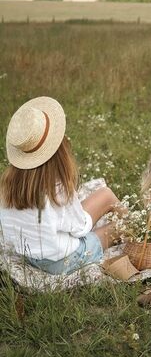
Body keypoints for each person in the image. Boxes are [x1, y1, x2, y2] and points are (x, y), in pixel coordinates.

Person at [0, 96, 123, 275]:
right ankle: (139, 229)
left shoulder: (7, 184)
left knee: (104, 195)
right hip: (62, 261)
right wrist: (91, 216)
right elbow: (80, 228)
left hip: (29, 256)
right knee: (119, 223)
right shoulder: (56, 187)